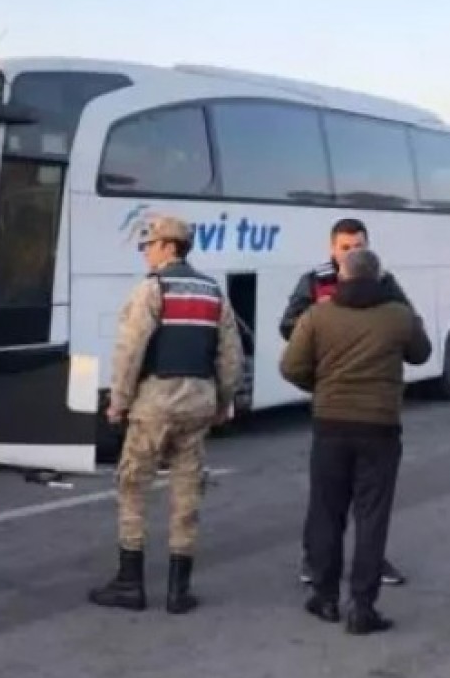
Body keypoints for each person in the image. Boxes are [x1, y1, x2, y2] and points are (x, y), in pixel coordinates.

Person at [89, 215, 243, 614]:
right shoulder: (214, 293)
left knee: (133, 486)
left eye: (150, 243)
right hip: (198, 403)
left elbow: (130, 349)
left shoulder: (151, 289)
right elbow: (230, 356)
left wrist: (118, 401)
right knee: (187, 493)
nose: (145, 250)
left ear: (169, 247)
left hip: (155, 403)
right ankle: (178, 591)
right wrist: (224, 402)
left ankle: (130, 583)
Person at [279, 248, 431, 633]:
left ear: (341, 276)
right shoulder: (397, 316)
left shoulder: (318, 315)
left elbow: (290, 366)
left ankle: (325, 598)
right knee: (371, 518)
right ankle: (363, 607)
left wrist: (322, 387)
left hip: (330, 424)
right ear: (379, 278)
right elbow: (421, 353)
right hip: (380, 428)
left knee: (327, 513)